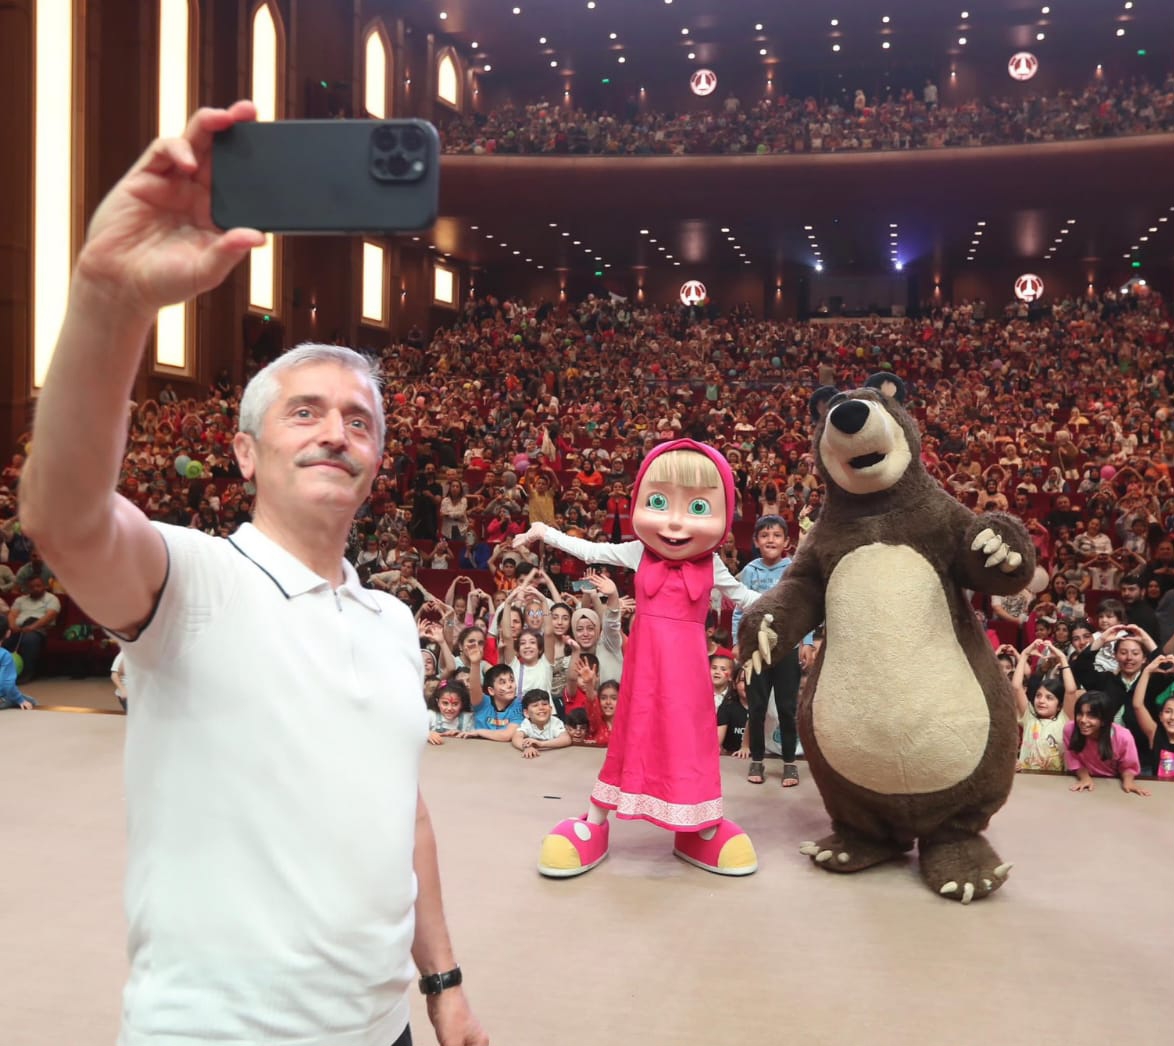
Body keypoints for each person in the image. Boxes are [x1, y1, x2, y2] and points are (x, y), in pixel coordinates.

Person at [17, 102, 486, 1046]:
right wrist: (111, 295)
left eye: (359, 421)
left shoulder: (393, 623)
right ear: (243, 452)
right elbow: (65, 519)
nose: (335, 432)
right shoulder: (193, 584)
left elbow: (404, 814)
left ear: (376, 462)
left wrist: (442, 984)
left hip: (383, 1028)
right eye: (304, 412)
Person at [514, 438, 761, 878]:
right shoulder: (638, 553)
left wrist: (807, 602)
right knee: (632, 732)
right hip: (645, 674)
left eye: (698, 508)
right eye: (659, 502)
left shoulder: (713, 566)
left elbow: (748, 598)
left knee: (690, 739)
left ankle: (699, 825)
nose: (674, 522)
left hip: (688, 678)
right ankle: (595, 820)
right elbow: (591, 551)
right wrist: (543, 531)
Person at [731, 515, 812, 788]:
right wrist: (738, 642)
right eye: (765, 536)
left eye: (776, 535)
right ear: (756, 541)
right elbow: (740, 611)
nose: (770, 540)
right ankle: (757, 759)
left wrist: (807, 642)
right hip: (757, 652)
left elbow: (802, 609)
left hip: (786, 648)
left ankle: (789, 763)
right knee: (757, 707)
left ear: (786, 542)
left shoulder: (793, 569)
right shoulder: (750, 571)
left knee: (787, 708)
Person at [1009, 640, 1078, 772]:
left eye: (1049, 698)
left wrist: (1062, 658)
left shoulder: (1064, 719)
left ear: (1059, 706)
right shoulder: (1029, 717)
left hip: (1056, 779)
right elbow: (1016, 687)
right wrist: (1024, 655)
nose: (1041, 701)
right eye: (1038, 696)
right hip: (1028, 777)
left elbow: (1070, 691)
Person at [1063, 691, 1149, 796]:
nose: (1083, 720)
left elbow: (1128, 767)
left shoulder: (1123, 737)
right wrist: (1085, 778)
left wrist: (1128, 782)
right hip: (1082, 779)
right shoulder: (1069, 729)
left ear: (1104, 720)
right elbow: (1074, 759)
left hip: (1112, 782)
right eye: (1080, 714)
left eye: (1091, 716)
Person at [2, 576, 61, 680]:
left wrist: (32, 627)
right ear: (27, 588)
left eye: (38, 586)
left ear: (44, 586)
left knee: (29, 640)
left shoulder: (51, 599)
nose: (35, 589)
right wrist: (12, 626)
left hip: (39, 627)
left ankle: (27, 673)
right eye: (32, 587)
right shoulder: (20, 600)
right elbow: (12, 614)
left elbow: (50, 616)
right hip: (19, 627)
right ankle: (5, 672)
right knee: (6, 640)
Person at [1131, 655, 1174, 779]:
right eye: (1168, 711)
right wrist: (1147, 671)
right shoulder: (1154, 734)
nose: (1172, 717)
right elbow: (1137, 705)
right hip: (1157, 789)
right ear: (1160, 716)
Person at [511, 689, 571, 758]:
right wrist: (526, 747)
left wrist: (541, 744)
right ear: (526, 713)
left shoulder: (555, 722)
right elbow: (516, 737)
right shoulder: (527, 723)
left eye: (544, 704)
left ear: (551, 709)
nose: (541, 708)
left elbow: (566, 739)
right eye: (535, 705)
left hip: (555, 757)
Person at [428, 680, 474, 745]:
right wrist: (427, 734)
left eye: (455, 704)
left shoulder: (467, 718)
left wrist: (462, 733)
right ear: (437, 702)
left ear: (462, 704)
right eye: (445, 703)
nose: (449, 708)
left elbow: (473, 738)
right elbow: (415, 731)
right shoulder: (430, 716)